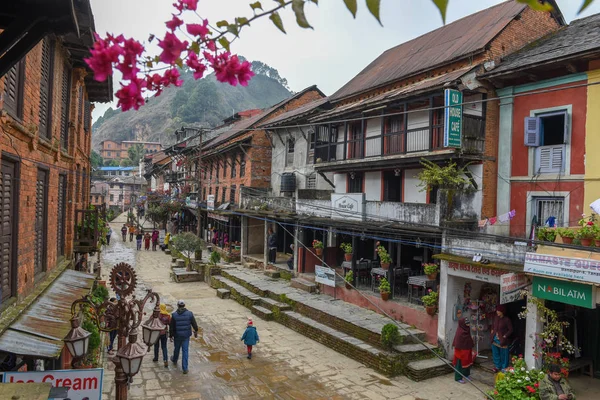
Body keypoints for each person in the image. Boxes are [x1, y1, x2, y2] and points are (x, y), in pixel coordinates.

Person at [169, 300, 199, 374]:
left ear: (178, 305)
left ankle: (175, 359)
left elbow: (171, 327)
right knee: (185, 351)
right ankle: (185, 368)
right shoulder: (189, 314)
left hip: (177, 335)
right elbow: (194, 324)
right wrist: (196, 331)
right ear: (184, 305)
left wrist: (171, 335)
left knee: (177, 348)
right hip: (186, 335)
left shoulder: (174, 315)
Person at [491, 304, 513, 372]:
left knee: (504, 354)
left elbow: (511, 330)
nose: (497, 312)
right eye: (497, 310)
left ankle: (504, 367)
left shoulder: (507, 320)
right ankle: (497, 366)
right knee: (496, 353)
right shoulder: (496, 318)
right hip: (494, 339)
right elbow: (493, 326)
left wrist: (505, 336)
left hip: (502, 340)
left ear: (502, 311)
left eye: (499, 311)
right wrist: (492, 333)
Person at [452, 318, 474, 384]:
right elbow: (458, 343)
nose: (468, 324)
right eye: (467, 323)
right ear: (463, 324)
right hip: (460, 351)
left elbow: (468, 339)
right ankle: (458, 377)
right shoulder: (460, 332)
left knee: (467, 362)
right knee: (459, 364)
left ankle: (466, 374)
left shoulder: (467, 329)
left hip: (467, 349)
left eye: (468, 323)